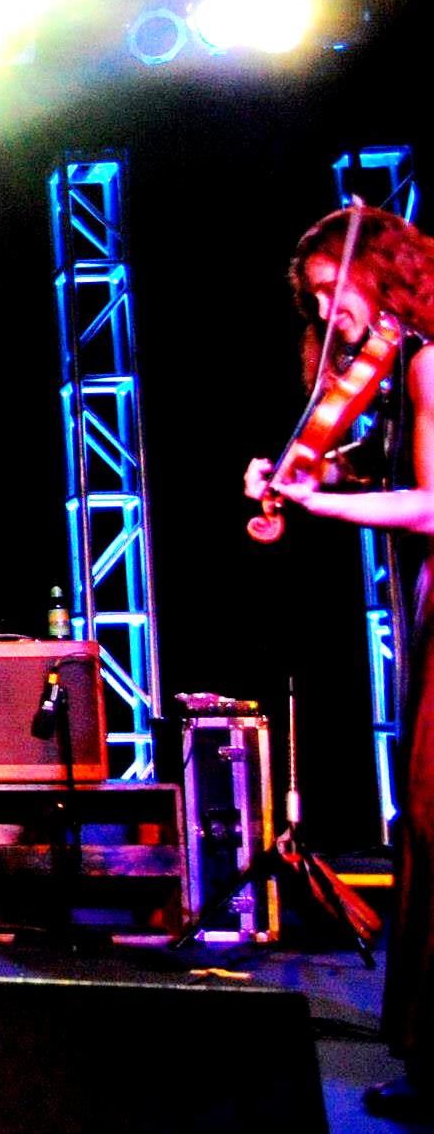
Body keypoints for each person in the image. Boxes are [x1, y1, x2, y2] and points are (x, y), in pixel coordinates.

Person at [242, 204, 434, 1120]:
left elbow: (431, 504)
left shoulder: (428, 361)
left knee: (431, 816)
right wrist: (304, 475)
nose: (327, 315)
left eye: (332, 290)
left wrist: (319, 506)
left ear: (379, 273)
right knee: (425, 825)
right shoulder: (399, 369)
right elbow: (383, 468)